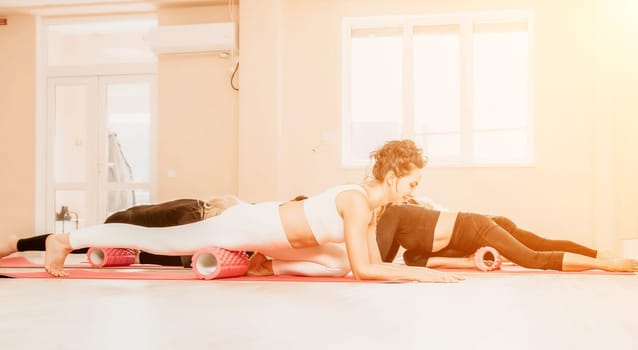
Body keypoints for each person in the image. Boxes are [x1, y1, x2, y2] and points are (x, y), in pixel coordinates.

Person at [42, 139, 466, 282]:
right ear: (392, 176)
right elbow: (368, 272)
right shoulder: (356, 202)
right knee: (156, 242)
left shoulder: (369, 208)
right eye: (412, 183)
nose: (414, 192)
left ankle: (266, 265)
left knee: (336, 263)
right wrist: (424, 273)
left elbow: (367, 265)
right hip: (250, 225)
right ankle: (65, 240)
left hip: (278, 239)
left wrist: (419, 273)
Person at [375, 202, 638, 272]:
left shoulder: (392, 213)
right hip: (483, 226)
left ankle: (606, 262)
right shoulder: (410, 252)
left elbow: (376, 263)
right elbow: (385, 261)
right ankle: (599, 253)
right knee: (541, 245)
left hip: (477, 227)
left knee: (533, 258)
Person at [0, 196, 242, 267]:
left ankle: (17, 243)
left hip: (130, 225)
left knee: (78, 242)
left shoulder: (197, 206)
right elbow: (184, 258)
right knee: (73, 242)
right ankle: (16, 243)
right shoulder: (193, 216)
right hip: (121, 223)